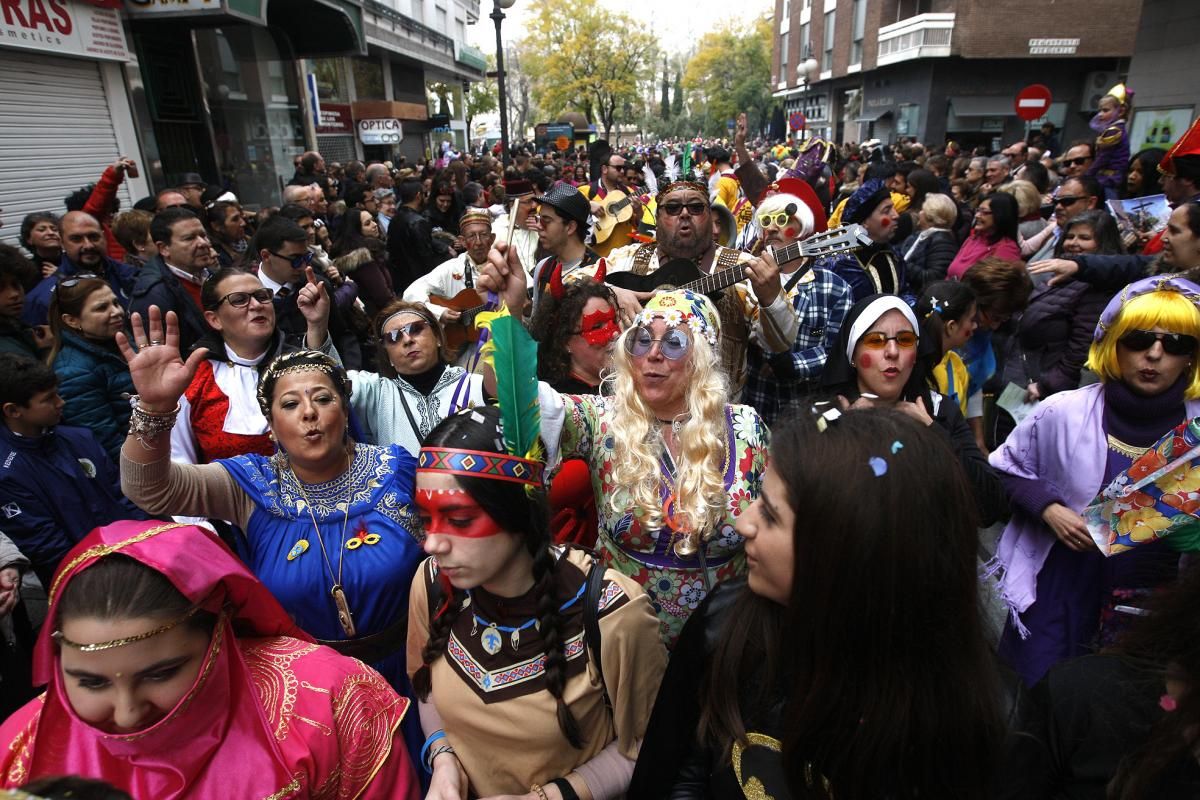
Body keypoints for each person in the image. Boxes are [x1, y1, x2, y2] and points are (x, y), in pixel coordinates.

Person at [630, 410, 1010, 799]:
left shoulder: (983, 723)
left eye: (771, 515)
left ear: (852, 552)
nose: (743, 523)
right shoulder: (725, 625)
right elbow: (680, 768)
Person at [117, 311, 427, 761]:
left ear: (345, 406)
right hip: (312, 695)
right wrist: (156, 410)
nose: (308, 414)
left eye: (323, 398)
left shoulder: (395, 467)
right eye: (289, 405)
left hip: (411, 673)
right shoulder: (251, 485)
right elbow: (149, 489)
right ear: (270, 423)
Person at [0, 519, 419, 799]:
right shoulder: (16, 752)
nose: (127, 715)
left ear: (220, 632)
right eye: (91, 682)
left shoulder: (328, 701)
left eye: (161, 673)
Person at [483, 250, 770, 647]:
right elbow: (514, 396)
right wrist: (511, 311)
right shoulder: (603, 419)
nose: (652, 354)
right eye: (641, 340)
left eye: (673, 342)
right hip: (627, 639)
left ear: (702, 359)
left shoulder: (746, 427)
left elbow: (778, 527)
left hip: (728, 638)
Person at [408, 405, 667, 800]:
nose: (432, 543)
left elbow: (645, 748)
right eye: (425, 519)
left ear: (517, 511)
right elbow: (426, 687)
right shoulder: (431, 584)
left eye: (459, 520)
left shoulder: (612, 612)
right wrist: (444, 761)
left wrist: (548, 798)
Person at [988, 276, 1200, 687]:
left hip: (1152, 611)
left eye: (1175, 344)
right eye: (1138, 340)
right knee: (1039, 708)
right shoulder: (1062, 412)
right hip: (1061, 594)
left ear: (1192, 357)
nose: (1154, 355)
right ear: (1114, 343)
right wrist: (1048, 508)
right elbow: (1005, 469)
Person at [821, 294, 1008, 525]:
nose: (892, 351)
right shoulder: (826, 415)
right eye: (876, 341)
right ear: (852, 355)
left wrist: (932, 434)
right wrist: (844, 434)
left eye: (905, 340)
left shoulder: (940, 412)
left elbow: (989, 506)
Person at [0, 354, 145, 588]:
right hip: (84, 585)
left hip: (139, 557)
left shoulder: (79, 438)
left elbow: (127, 496)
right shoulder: (8, 473)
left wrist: (149, 542)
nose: (61, 403)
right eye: (48, 399)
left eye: (57, 393)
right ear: (14, 410)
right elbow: (47, 547)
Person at [171, 267, 337, 465]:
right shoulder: (195, 379)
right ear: (214, 319)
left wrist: (317, 326)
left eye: (262, 296)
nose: (257, 305)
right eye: (240, 300)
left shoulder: (298, 362)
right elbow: (181, 466)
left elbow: (337, 428)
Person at [998, 211, 1118, 436]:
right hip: (1019, 383)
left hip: (1043, 394)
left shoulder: (1097, 290)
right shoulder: (1060, 278)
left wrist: (1047, 385)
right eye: (1070, 236)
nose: (1074, 243)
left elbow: (1083, 348)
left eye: (1084, 238)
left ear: (1104, 245)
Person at [741, 191, 853, 426]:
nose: (771, 228)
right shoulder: (743, 280)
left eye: (782, 220)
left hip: (803, 412)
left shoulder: (834, 288)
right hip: (752, 408)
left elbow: (838, 350)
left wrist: (794, 365)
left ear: (803, 228)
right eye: (765, 221)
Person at [46, 276, 133, 463]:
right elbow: (109, 446)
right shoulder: (72, 373)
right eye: (102, 308)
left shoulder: (120, 342)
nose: (117, 311)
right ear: (71, 320)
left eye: (116, 303)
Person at [128, 208, 214, 354]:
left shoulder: (211, 276)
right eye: (189, 238)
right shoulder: (153, 296)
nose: (203, 243)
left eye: (203, 235)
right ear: (164, 248)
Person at [817, 178, 912, 304]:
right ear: (864, 223)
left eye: (893, 208)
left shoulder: (893, 255)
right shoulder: (836, 263)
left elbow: (904, 291)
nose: (896, 215)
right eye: (886, 210)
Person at [916, 280, 977, 415]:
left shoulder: (955, 363)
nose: (975, 326)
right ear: (951, 327)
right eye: (972, 320)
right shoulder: (910, 370)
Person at [329, 206, 394, 319]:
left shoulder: (362, 253)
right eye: (367, 223)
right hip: (381, 316)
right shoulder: (363, 260)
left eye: (373, 220)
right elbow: (382, 297)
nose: (374, 225)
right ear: (356, 231)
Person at [948, 193, 1023, 280]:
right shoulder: (973, 238)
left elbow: (994, 287)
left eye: (984, 212)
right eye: (978, 210)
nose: (977, 215)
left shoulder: (1006, 248)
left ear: (1000, 215)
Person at [901, 192, 959, 293]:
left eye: (923, 210)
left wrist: (902, 263)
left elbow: (932, 278)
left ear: (931, 218)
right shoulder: (921, 235)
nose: (920, 213)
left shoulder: (943, 243)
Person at [1086, 83, 1133, 200]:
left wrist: (1088, 175)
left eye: (1105, 110)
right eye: (1100, 110)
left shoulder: (1114, 130)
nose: (1100, 114)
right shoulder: (1116, 129)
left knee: (1108, 204)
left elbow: (1103, 158)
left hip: (1109, 178)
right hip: (1110, 177)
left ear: (1121, 111)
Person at [0, 246, 43, 359]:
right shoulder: (8, 353)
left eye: (16, 284)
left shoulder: (18, 329)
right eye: (0, 288)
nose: (14, 294)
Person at [203, 201, 248, 270]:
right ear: (217, 226)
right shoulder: (216, 256)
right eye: (235, 219)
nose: (243, 223)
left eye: (241, 217)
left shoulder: (250, 240)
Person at [18, 213, 61, 282]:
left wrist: (62, 276)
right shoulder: (25, 270)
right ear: (29, 239)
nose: (50, 233)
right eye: (42, 230)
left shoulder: (74, 260)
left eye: (55, 229)